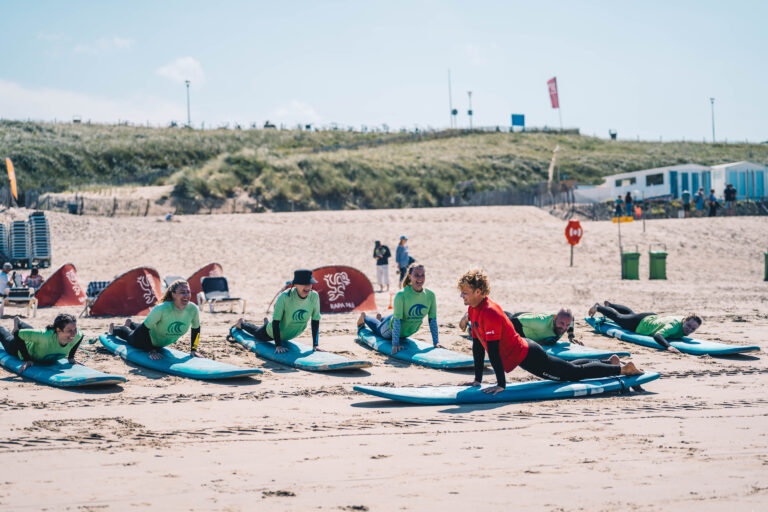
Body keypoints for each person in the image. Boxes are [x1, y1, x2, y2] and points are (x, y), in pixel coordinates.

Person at [458, 270, 641, 395]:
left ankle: (623, 369)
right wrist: (477, 380)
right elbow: (478, 346)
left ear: (478, 291)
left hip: (528, 355)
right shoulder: (474, 309)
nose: (461, 296)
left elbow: (494, 351)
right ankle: (608, 362)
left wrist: (501, 385)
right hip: (525, 350)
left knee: (572, 374)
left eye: (465, 292)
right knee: (567, 368)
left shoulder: (489, 311)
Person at [357, 264, 443, 355]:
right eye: (416, 275)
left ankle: (381, 319)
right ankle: (364, 317)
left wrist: (436, 342)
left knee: (387, 320)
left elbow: (432, 320)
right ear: (410, 276)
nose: (420, 278)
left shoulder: (430, 295)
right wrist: (395, 344)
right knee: (378, 329)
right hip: (391, 328)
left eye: (422, 275)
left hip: (404, 330)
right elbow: (397, 321)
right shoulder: (401, 295)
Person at [233, 269, 321, 354]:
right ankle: (241, 324)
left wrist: (315, 345)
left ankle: (266, 324)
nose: (308, 287)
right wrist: (278, 346)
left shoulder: (314, 296)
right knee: (257, 334)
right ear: (295, 284)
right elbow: (276, 322)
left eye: (310, 283)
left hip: (289, 334)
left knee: (264, 328)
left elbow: (315, 320)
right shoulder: (284, 297)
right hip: (272, 332)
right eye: (304, 284)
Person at [110, 279, 200, 360]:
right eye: (182, 292)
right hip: (144, 338)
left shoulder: (193, 309)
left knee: (148, 327)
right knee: (129, 335)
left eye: (188, 292)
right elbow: (143, 329)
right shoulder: (162, 309)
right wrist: (151, 350)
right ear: (173, 294)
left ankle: (131, 323)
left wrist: (194, 349)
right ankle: (114, 329)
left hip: (156, 338)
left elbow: (196, 329)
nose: (186, 295)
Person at [588, 301, 702, 353]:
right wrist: (668, 347)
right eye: (688, 326)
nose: (689, 329)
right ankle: (598, 307)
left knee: (631, 314)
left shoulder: (684, 319)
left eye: (693, 329)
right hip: (640, 323)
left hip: (652, 317)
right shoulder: (673, 326)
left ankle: (611, 305)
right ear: (685, 321)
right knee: (619, 318)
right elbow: (658, 336)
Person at [0, 314, 83, 372]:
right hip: (19, 348)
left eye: (75, 329)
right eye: (69, 330)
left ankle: (19, 323)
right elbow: (17, 334)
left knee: (33, 334)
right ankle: (9, 326)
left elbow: (81, 336)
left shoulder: (77, 335)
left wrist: (71, 357)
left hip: (37, 341)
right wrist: (27, 359)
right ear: (58, 330)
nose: (73, 333)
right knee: (6, 336)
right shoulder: (44, 336)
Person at [459, 308, 583, 345]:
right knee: (495, 325)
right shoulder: (541, 322)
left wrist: (571, 335)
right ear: (555, 318)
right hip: (520, 322)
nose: (564, 327)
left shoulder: (565, 321)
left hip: (527, 324)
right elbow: (514, 321)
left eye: (567, 325)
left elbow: (571, 319)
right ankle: (471, 316)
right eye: (561, 323)